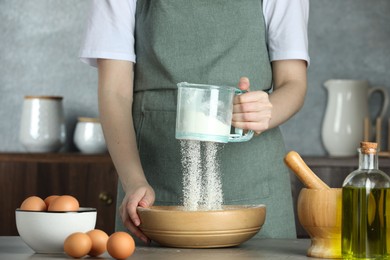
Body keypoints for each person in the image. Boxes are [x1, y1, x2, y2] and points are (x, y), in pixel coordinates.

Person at [80, 0, 309, 244]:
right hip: (152, 188)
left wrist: (266, 111)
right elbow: (115, 92)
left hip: (255, 185)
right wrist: (134, 181)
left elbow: (293, 82)